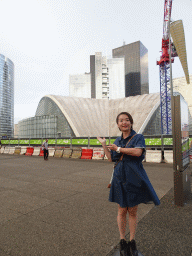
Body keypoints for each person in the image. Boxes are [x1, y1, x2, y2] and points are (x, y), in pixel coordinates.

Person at [97, 112, 160, 256]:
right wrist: (104, 145)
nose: (124, 122)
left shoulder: (138, 137)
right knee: (121, 210)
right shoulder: (117, 140)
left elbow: (138, 152)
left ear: (131, 122)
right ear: (118, 124)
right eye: (121, 121)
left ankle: (132, 240)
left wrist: (118, 149)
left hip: (134, 177)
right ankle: (122, 239)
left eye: (127, 120)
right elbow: (110, 159)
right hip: (119, 177)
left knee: (132, 210)